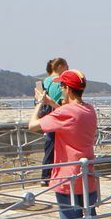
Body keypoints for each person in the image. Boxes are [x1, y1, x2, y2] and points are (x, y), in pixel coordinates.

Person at [28, 69, 107, 219]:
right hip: (87, 176)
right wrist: (52, 103)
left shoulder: (66, 113)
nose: (60, 88)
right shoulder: (88, 110)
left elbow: (32, 125)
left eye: (62, 86)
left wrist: (38, 104)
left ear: (68, 89)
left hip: (67, 179)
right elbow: (67, 112)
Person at [37, 57, 69, 185]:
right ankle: (53, 176)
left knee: (50, 145)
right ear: (60, 66)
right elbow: (62, 103)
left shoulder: (45, 81)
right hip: (58, 116)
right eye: (66, 66)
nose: (68, 69)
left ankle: (46, 175)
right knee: (59, 147)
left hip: (47, 117)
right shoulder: (58, 82)